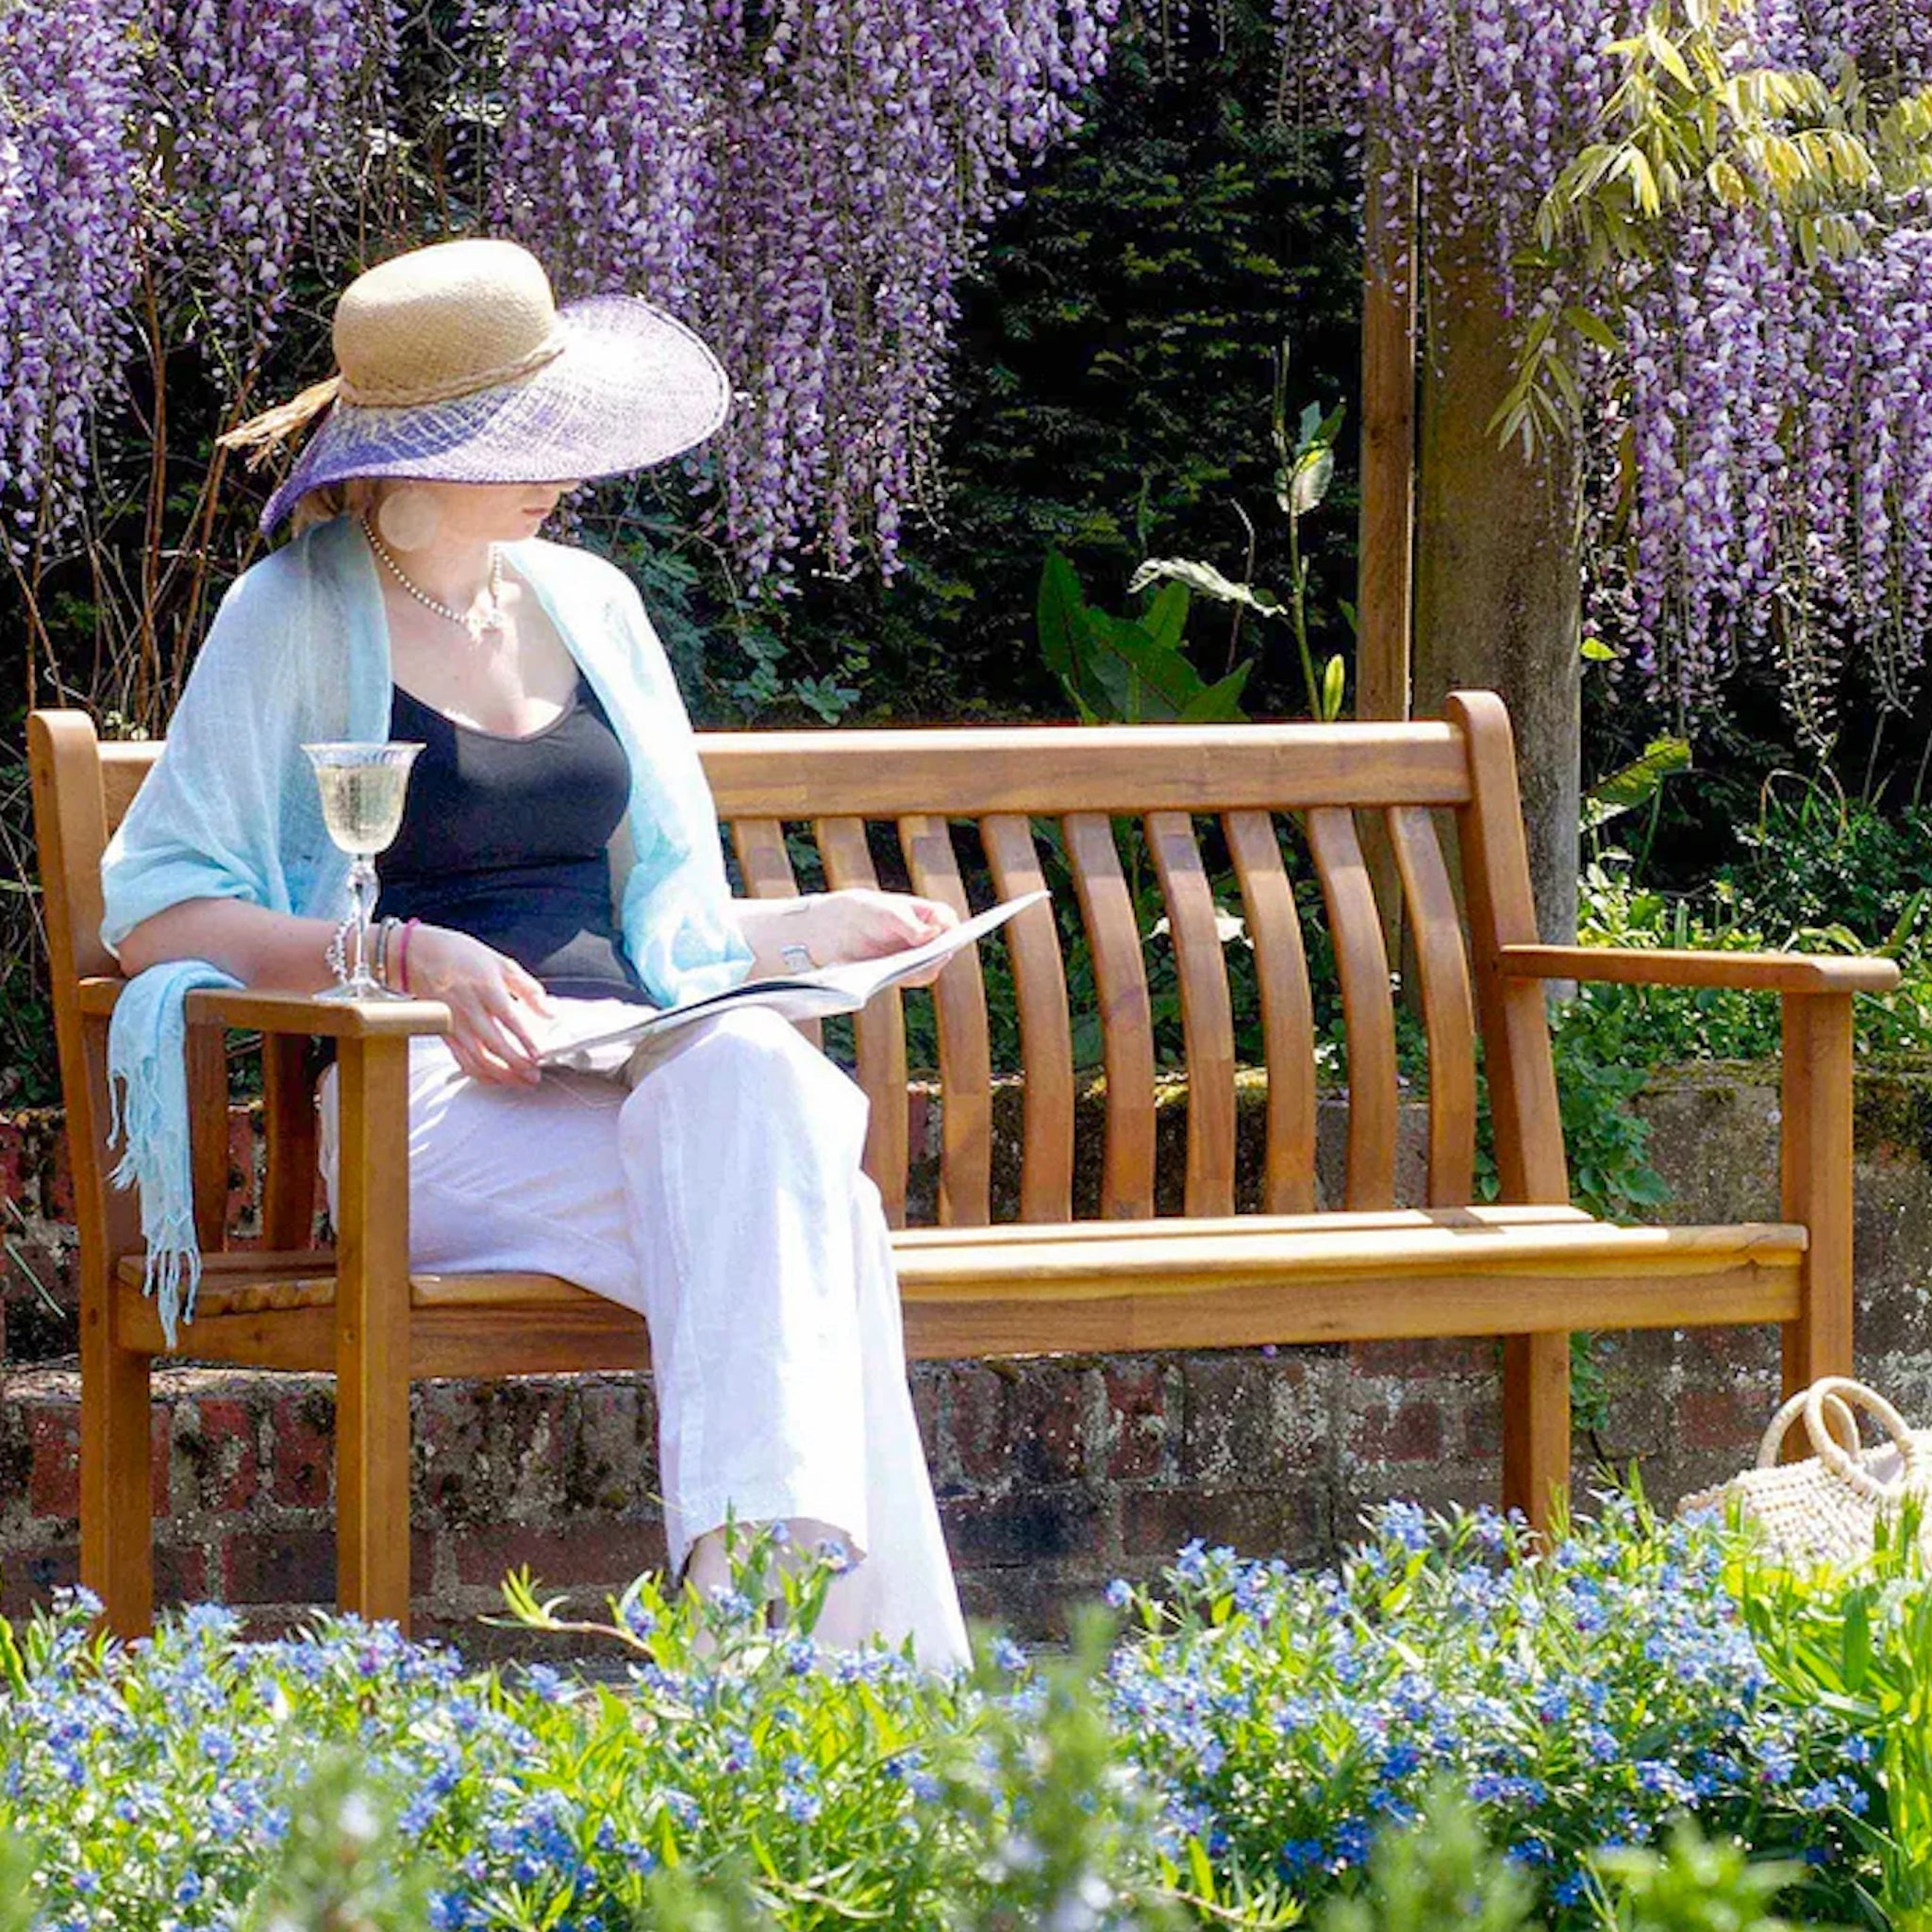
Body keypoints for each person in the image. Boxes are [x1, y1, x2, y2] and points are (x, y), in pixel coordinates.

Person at [97, 238, 972, 1669]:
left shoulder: (589, 601)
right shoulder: (291, 615)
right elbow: (159, 916)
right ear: (419, 454)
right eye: (522, 435)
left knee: (761, 1089)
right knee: (819, 1218)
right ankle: (850, 1690)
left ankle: (753, 1650)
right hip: (424, 1102)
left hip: (632, 1066)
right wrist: (405, 955)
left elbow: (653, 922)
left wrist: (813, 930)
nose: (561, 467)